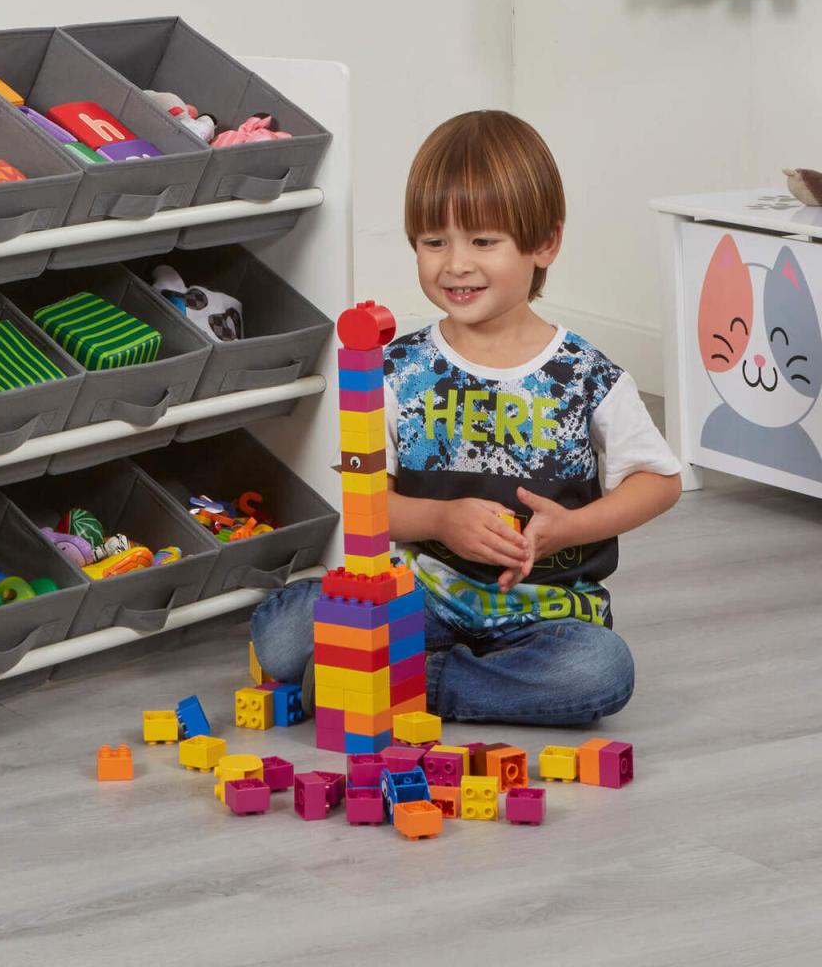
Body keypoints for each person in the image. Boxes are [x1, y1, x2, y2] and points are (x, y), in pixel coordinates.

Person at [250, 110, 682, 725]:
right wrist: (439, 520)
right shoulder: (397, 370)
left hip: (545, 616)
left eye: (482, 242)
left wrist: (571, 527)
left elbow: (659, 482)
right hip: (422, 597)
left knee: (599, 672)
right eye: (434, 242)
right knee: (284, 636)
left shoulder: (586, 374)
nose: (455, 264)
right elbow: (366, 500)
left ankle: (418, 683)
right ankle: (428, 673)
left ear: (544, 243)